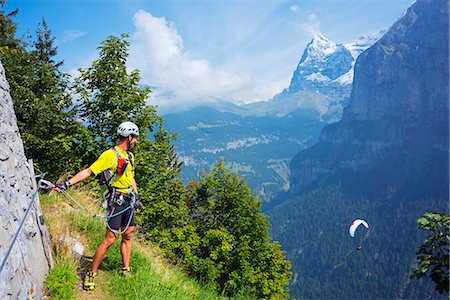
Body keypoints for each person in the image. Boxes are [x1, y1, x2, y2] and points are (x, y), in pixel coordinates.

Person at [54, 121, 142, 291]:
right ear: (129, 137)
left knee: (128, 234)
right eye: (135, 138)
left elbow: (131, 178)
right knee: (110, 239)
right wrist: (67, 184)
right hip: (116, 200)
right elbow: (89, 171)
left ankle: (126, 269)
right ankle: (91, 273)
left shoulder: (130, 156)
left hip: (128, 200)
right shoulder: (110, 155)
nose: (136, 141)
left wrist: (137, 197)